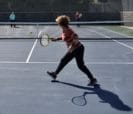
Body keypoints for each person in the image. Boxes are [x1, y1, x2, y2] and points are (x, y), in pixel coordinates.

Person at [47, 15, 97, 85]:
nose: (57, 24)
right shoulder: (64, 29)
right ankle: (92, 79)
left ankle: (55, 74)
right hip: (77, 49)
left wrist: (72, 47)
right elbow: (64, 37)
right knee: (80, 65)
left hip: (77, 48)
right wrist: (56, 39)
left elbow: (76, 37)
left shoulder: (69, 30)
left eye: (58, 22)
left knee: (64, 60)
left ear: (61, 23)